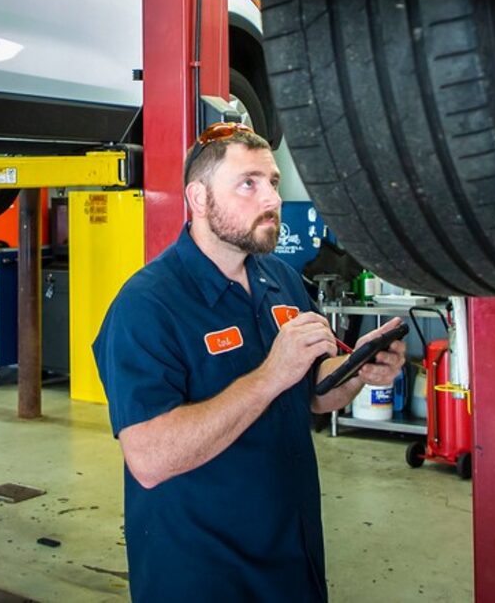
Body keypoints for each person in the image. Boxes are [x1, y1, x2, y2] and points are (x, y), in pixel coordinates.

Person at [93, 122, 406, 602]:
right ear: (198, 199)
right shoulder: (146, 305)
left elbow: (313, 397)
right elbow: (150, 459)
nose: (273, 200)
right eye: (249, 184)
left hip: (291, 558)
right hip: (202, 574)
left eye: (274, 183)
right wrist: (268, 376)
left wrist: (357, 373)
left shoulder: (282, 279)